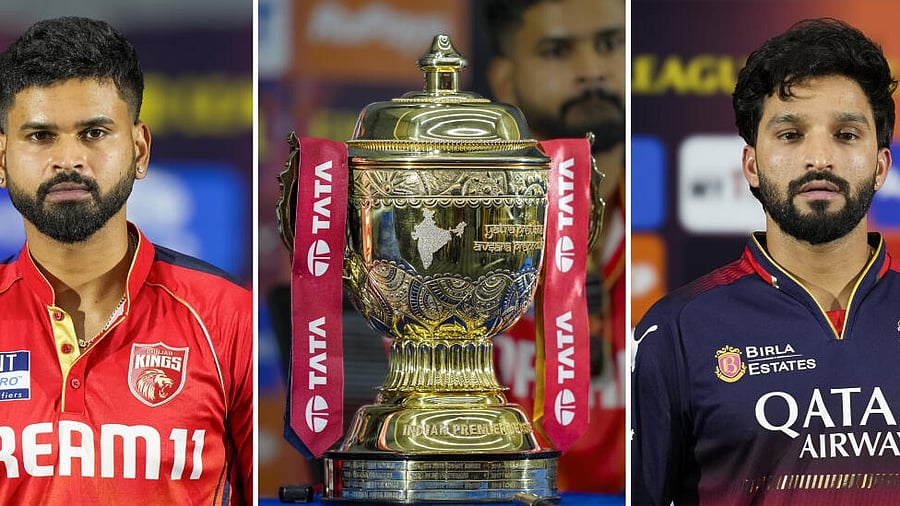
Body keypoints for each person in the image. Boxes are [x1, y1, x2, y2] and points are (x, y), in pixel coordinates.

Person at [632, 18, 900, 504]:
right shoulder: (676, 331)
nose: (820, 157)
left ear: (881, 165)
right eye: (791, 134)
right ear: (751, 165)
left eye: (845, 134)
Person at [0, 17, 252, 505]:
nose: (69, 159)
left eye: (94, 133)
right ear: (2, 159)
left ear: (139, 150)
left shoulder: (227, 318)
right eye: (40, 136)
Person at [484, 0, 626, 493]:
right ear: (506, 81)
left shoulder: (682, 223)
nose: (591, 71)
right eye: (557, 50)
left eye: (610, 44)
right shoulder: (465, 224)